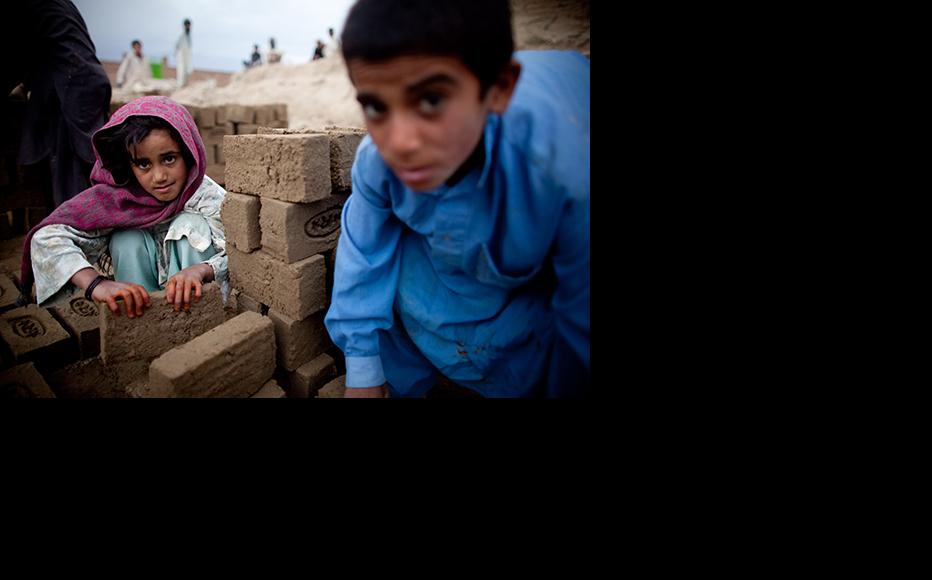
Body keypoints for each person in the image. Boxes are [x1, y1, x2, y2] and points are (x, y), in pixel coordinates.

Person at [324, 0, 590, 398]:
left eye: (430, 101)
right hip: (444, 280)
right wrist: (364, 374)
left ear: (499, 89)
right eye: (376, 107)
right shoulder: (376, 162)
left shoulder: (564, 169)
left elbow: (581, 318)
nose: (401, 142)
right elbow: (362, 256)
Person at [18, 96, 229, 317]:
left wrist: (202, 269)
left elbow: (239, 255)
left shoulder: (205, 196)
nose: (159, 177)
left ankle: (196, 319)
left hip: (201, 308)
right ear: (129, 165)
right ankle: (142, 320)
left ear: (188, 154)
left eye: (169, 159)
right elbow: (46, 238)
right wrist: (94, 284)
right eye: (143, 164)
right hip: (143, 313)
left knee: (191, 224)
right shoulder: (119, 200)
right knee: (126, 238)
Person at [1, 0, 112, 208]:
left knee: (71, 166)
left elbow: (13, 55)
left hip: (71, 87)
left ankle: (77, 226)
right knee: (87, 163)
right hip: (88, 80)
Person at [175, 18, 193, 87]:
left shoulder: (188, 36)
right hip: (181, 59)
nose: (188, 27)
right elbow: (178, 48)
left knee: (185, 75)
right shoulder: (181, 37)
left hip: (186, 60)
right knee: (181, 74)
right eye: (187, 25)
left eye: (189, 25)